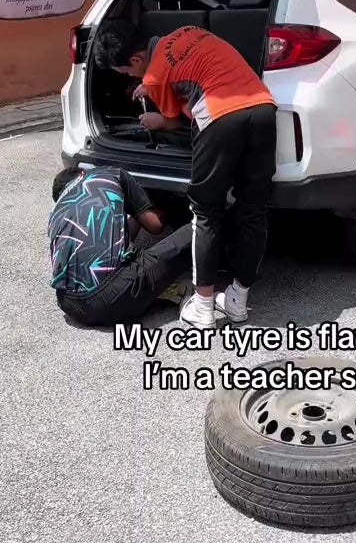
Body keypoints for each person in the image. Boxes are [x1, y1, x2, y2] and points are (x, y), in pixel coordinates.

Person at [92, 23, 277, 330]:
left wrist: (154, 117)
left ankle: (203, 306)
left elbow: (171, 119)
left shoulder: (154, 75)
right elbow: (188, 72)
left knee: (206, 213)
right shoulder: (187, 32)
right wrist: (151, 86)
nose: (130, 77)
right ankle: (237, 300)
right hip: (263, 109)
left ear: (136, 60)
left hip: (220, 117)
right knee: (254, 209)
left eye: (126, 72)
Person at [49, 166, 192, 326]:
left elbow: (111, 238)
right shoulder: (109, 174)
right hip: (113, 298)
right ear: (82, 173)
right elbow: (155, 226)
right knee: (194, 230)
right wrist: (157, 202)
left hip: (70, 305)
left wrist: (135, 212)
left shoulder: (56, 212)